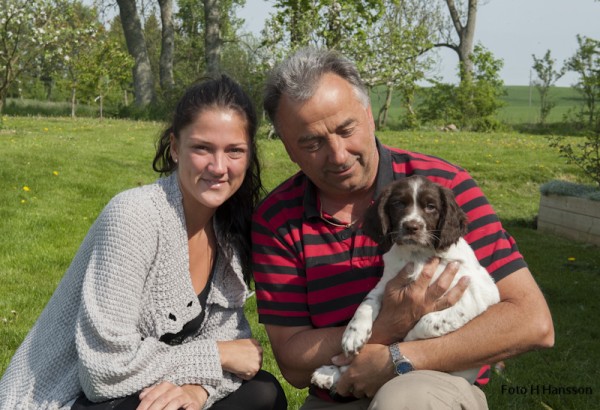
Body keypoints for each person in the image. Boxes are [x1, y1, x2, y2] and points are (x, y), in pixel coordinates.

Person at [252, 48, 554, 409]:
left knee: (403, 400)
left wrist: (399, 359)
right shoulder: (277, 220)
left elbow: (534, 323)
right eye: (312, 143)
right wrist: (388, 326)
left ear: (369, 116)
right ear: (287, 147)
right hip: (339, 391)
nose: (338, 155)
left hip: (434, 382)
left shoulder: (444, 189)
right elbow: (294, 363)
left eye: (347, 129)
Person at [0, 75, 287, 410]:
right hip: (65, 398)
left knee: (264, 394)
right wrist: (215, 355)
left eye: (234, 151)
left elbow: (239, 353)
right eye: (202, 148)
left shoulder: (229, 231)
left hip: (146, 389)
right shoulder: (135, 216)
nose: (218, 166)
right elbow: (103, 372)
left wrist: (198, 392)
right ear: (176, 148)